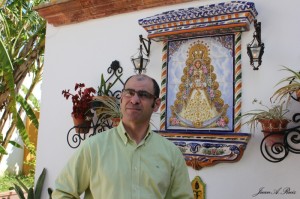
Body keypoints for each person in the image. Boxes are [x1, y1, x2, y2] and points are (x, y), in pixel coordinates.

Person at [52, 74, 194, 199]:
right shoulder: (94, 147)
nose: (134, 100)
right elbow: (63, 193)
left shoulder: (171, 154)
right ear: (121, 98)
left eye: (143, 94)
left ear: (156, 105)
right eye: (129, 93)